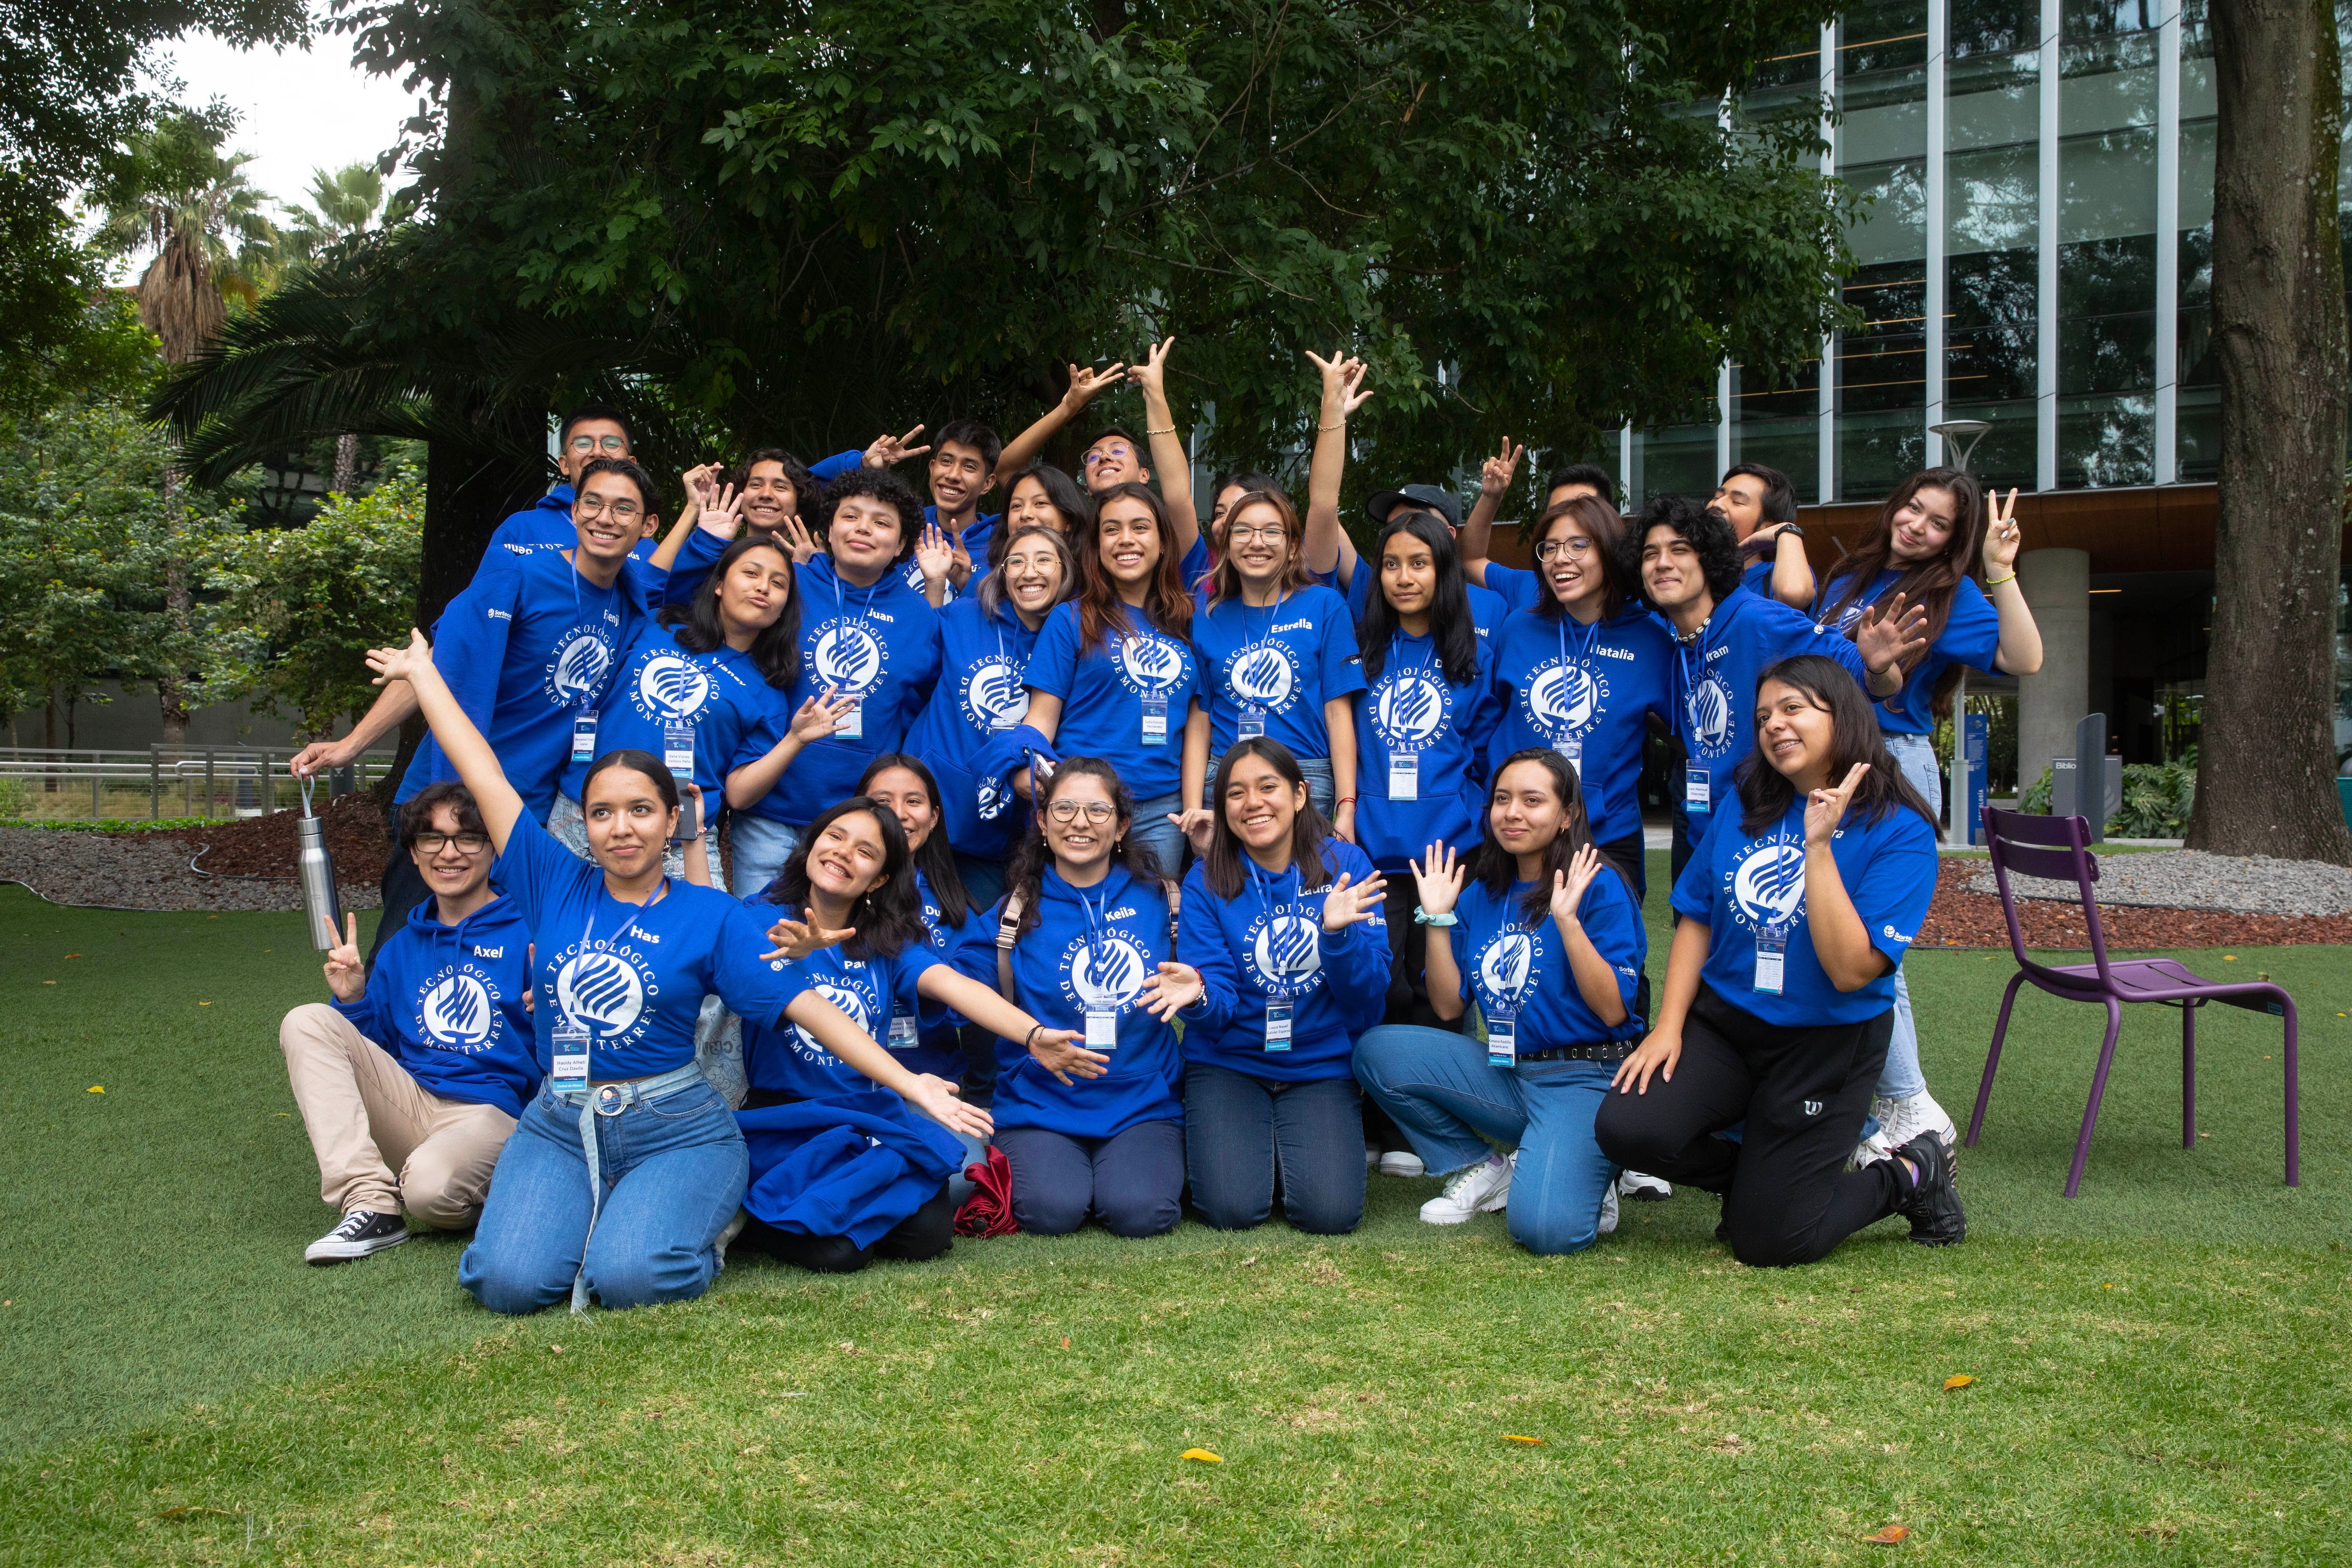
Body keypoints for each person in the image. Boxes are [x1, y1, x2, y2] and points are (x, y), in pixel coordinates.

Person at [362, 630, 982, 1314]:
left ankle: (675, 1218)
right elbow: (482, 770)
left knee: (633, 1280)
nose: (620, 828)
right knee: (509, 1286)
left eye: (640, 811)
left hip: (677, 1126)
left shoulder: (712, 916)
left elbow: (810, 1007)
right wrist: (423, 677)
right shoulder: (552, 880)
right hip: (563, 1122)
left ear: (669, 822)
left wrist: (910, 1082)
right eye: (602, 813)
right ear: (586, 825)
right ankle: (595, 1212)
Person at [1595, 655, 1962, 1265]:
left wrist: (1819, 844)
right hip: (1729, 1023)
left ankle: (1910, 1174)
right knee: (1629, 1129)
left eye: (1793, 708)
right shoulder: (1746, 801)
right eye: (1764, 715)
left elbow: (1852, 970)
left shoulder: (1898, 829)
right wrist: (1667, 1027)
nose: (1774, 725)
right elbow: (1697, 915)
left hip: (1826, 1043)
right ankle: (1759, 1179)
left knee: (1769, 1242)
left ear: (1841, 713)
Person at [291, 455, 661, 961]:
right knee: (409, 946)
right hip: (446, 796)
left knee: (500, 958)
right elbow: (435, 666)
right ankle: (365, 1035)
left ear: (646, 526)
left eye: (624, 509)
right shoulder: (517, 577)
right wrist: (351, 745)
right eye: (593, 503)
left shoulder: (630, 601)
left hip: (524, 812)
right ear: (573, 511)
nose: (606, 518)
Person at [736, 795, 1073, 1271]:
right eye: (834, 837)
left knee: (927, 1236)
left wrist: (1033, 1034)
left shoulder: (883, 941)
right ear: (812, 844)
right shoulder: (757, 920)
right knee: (838, 1253)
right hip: (787, 1116)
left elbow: (954, 986)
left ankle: (822, 1211)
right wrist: (794, 955)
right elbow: (756, 967)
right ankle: (759, 1215)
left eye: (864, 852)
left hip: (863, 1115)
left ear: (878, 879)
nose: (841, 853)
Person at [1810, 470, 2042, 1160]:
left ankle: (1910, 1104)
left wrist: (1999, 570)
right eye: (1912, 506)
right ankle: (1884, 1101)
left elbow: (2024, 657)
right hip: (1834, 761)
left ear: (1954, 539)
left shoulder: (1952, 593)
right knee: (1833, 931)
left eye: (1938, 522)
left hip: (1888, 763)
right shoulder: (1853, 578)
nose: (1916, 524)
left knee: (1872, 940)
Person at [1353, 750, 1647, 1254]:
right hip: (1508, 1073)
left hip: (1583, 1079)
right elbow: (1447, 1007)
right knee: (1378, 1052)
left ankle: (1590, 1171)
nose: (1512, 813)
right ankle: (1486, 1168)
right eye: (1502, 800)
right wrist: (1439, 919)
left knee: (1545, 1232)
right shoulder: (1483, 892)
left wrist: (1568, 923)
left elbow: (1613, 1011)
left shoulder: (1597, 886)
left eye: (1533, 801)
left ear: (1567, 815)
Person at [278, 782, 536, 1264]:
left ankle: (503, 1185)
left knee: (429, 1196)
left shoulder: (529, 933)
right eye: (431, 840)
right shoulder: (400, 947)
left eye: (467, 838)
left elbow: (562, 1062)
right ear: (415, 855)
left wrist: (549, 1012)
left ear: (493, 850)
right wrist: (353, 998)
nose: (449, 853)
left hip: (492, 1113)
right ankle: (370, 1203)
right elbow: (373, 1051)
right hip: (412, 1101)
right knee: (306, 1020)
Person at [1627, 495, 1925, 884]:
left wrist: (1879, 666)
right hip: (1705, 833)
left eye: (1679, 550)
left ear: (1708, 559)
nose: (1662, 562)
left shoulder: (1758, 619)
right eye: (1650, 554)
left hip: (1769, 836)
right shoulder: (1669, 642)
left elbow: (1871, 684)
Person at [968, 758, 1205, 1238]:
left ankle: (1121, 1172)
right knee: (1050, 1211)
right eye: (1064, 809)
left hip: (1142, 1103)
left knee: (1139, 1213)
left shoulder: (1163, 900)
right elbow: (953, 986)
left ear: (1121, 825)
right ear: (1041, 821)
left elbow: (1218, 969)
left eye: (1098, 810)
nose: (1080, 822)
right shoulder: (1013, 911)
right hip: (1041, 1104)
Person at [1172, 740, 1390, 1233]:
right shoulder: (1205, 879)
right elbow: (1218, 1002)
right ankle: (1247, 1150)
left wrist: (1335, 938)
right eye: (1235, 793)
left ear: (1299, 794)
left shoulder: (1346, 865)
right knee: (1231, 1211)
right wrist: (1199, 995)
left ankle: (1280, 1150)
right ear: (1222, 808)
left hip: (1319, 1063)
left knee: (1329, 1215)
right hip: (1230, 1062)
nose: (1252, 803)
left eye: (1267, 787)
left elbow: (1369, 992)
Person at [723, 468, 942, 893]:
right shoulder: (789, 584)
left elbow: (928, 704)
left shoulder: (919, 616)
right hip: (769, 810)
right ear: (829, 528)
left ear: (900, 545)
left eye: (881, 523)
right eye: (851, 516)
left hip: (856, 822)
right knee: (761, 942)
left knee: (837, 946)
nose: (863, 528)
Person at [548, 523, 802, 877]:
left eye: (779, 584)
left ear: (784, 607)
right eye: (751, 573)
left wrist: (797, 739)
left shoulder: (769, 692)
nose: (763, 587)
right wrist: (694, 520)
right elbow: (643, 580)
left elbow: (739, 794)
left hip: (679, 834)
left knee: (708, 929)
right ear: (718, 584)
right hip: (583, 811)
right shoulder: (658, 625)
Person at [1006, 483, 1209, 879]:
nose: (1126, 540)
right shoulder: (1070, 619)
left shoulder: (1188, 620)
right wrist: (1030, 774)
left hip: (1160, 812)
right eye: (1112, 529)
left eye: (1140, 527)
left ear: (1164, 542)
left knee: (1144, 931)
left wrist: (1191, 808)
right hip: (1080, 806)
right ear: (1097, 544)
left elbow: (1196, 724)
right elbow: (1041, 721)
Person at [1349, 507, 1502, 1027]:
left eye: (1418, 563)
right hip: (1372, 850)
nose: (1404, 578)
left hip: (1449, 850)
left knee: (1440, 992)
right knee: (1380, 987)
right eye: (1390, 565)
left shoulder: (1470, 651)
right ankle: (1373, 1101)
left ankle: (1438, 1097)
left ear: (1442, 569)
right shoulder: (1358, 650)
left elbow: (1483, 749)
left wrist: (1473, 817)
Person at [1486, 494, 1675, 901]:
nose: (1560, 559)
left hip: (1606, 836)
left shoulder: (1651, 639)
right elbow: (1490, 716)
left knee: (1606, 960)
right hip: (1519, 834)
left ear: (1608, 549)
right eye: (1550, 548)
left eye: (1577, 545)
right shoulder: (1519, 628)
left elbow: (1679, 730)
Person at [901, 524, 1078, 907]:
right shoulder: (966, 614)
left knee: (975, 937)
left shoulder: (1075, 637)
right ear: (1002, 572)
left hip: (1005, 825)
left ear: (1066, 571)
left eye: (1044, 560)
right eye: (1017, 561)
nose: (1029, 571)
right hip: (936, 806)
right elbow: (919, 667)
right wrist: (934, 586)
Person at [1293, 350, 1510, 646]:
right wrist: (1332, 415)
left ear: (1448, 536)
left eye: (1417, 522)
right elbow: (1324, 507)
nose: (1404, 534)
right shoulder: (1373, 589)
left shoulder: (1493, 607)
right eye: (1393, 526)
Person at [858, 753, 1000, 1186]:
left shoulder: (954, 905)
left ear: (935, 816)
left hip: (929, 1082)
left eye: (914, 802)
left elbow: (970, 1006)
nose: (899, 814)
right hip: (840, 1081)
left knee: (958, 1181)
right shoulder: (830, 886)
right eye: (883, 800)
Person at [1189, 486, 1365, 828]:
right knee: (1230, 883)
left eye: (1272, 531)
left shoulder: (1325, 605)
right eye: (1242, 531)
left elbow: (1338, 712)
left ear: (1293, 546)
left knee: (1310, 882)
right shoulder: (1206, 616)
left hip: (1306, 775)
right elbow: (1200, 718)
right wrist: (1195, 806)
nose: (1257, 542)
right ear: (1226, 545)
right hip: (1227, 776)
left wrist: (1346, 807)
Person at [484, 404, 659, 560]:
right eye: (583, 444)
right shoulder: (521, 529)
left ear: (631, 464)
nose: (597, 452)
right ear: (565, 464)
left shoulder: (649, 548)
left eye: (612, 444)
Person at [1456, 449, 1614, 611]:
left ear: (1609, 522)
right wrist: (1491, 497)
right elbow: (1471, 560)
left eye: (1582, 509)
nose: (1566, 518)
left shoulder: (1636, 603)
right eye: (1556, 512)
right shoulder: (1528, 588)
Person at [1710, 462, 1815, 608]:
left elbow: (1793, 593)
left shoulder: (1772, 577)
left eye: (1737, 502)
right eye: (1716, 497)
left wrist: (1787, 531)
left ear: (1768, 527)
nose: (1717, 504)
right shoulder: (1688, 575)